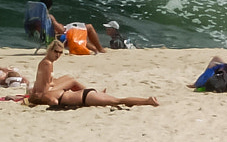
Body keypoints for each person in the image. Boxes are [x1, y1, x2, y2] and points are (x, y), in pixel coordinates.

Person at [28, 38, 158, 108]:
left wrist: (39, 98)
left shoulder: (52, 91)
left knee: (118, 101)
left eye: (60, 53)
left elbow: (52, 100)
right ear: (50, 50)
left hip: (86, 97)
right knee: (116, 100)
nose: (58, 55)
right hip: (85, 95)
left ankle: (148, 101)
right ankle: (147, 101)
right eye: (56, 52)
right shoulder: (47, 64)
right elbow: (47, 90)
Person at [38, 0, 105, 54]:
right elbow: (61, 30)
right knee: (89, 27)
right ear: (50, 7)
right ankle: (100, 49)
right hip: (62, 38)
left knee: (81, 34)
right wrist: (61, 26)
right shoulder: (49, 17)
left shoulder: (39, 18)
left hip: (55, 38)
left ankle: (95, 49)